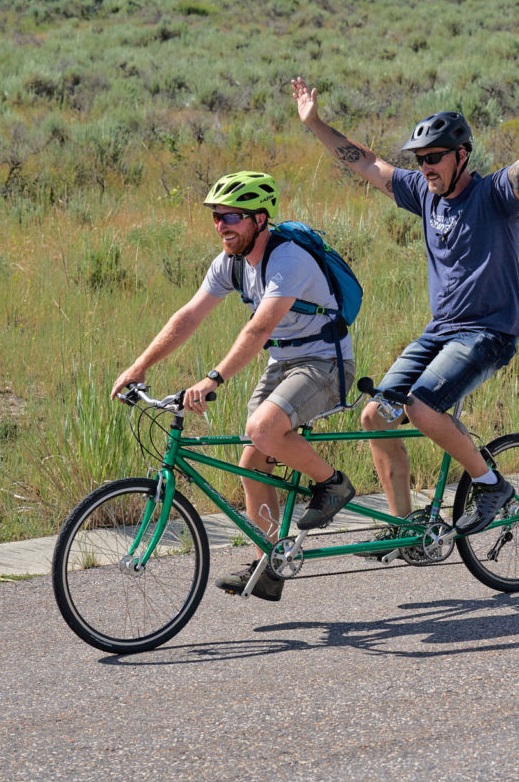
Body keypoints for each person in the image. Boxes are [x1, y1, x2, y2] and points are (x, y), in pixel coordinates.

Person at [292, 60, 519, 537]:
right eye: (419, 158)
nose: (424, 166)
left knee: (422, 407)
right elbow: (366, 162)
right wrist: (314, 123)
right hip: (441, 332)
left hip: (489, 332)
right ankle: (404, 527)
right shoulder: (424, 193)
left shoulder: (495, 195)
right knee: (375, 415)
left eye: (434, 157)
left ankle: (491, 485)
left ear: (461, 156)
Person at [110, 170, 356, 601]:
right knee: (251, 462)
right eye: (216, 218)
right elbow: (189, 315)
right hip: (283, 363)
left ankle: (333, 484)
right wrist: (140, 365)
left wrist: (213, 378)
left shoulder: (289, 259)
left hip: (325, 363)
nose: (221, 226)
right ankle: (270, 562)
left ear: (260, 219)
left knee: (263, 430)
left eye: (232, 217)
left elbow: (258, 330)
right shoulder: (230, 263)